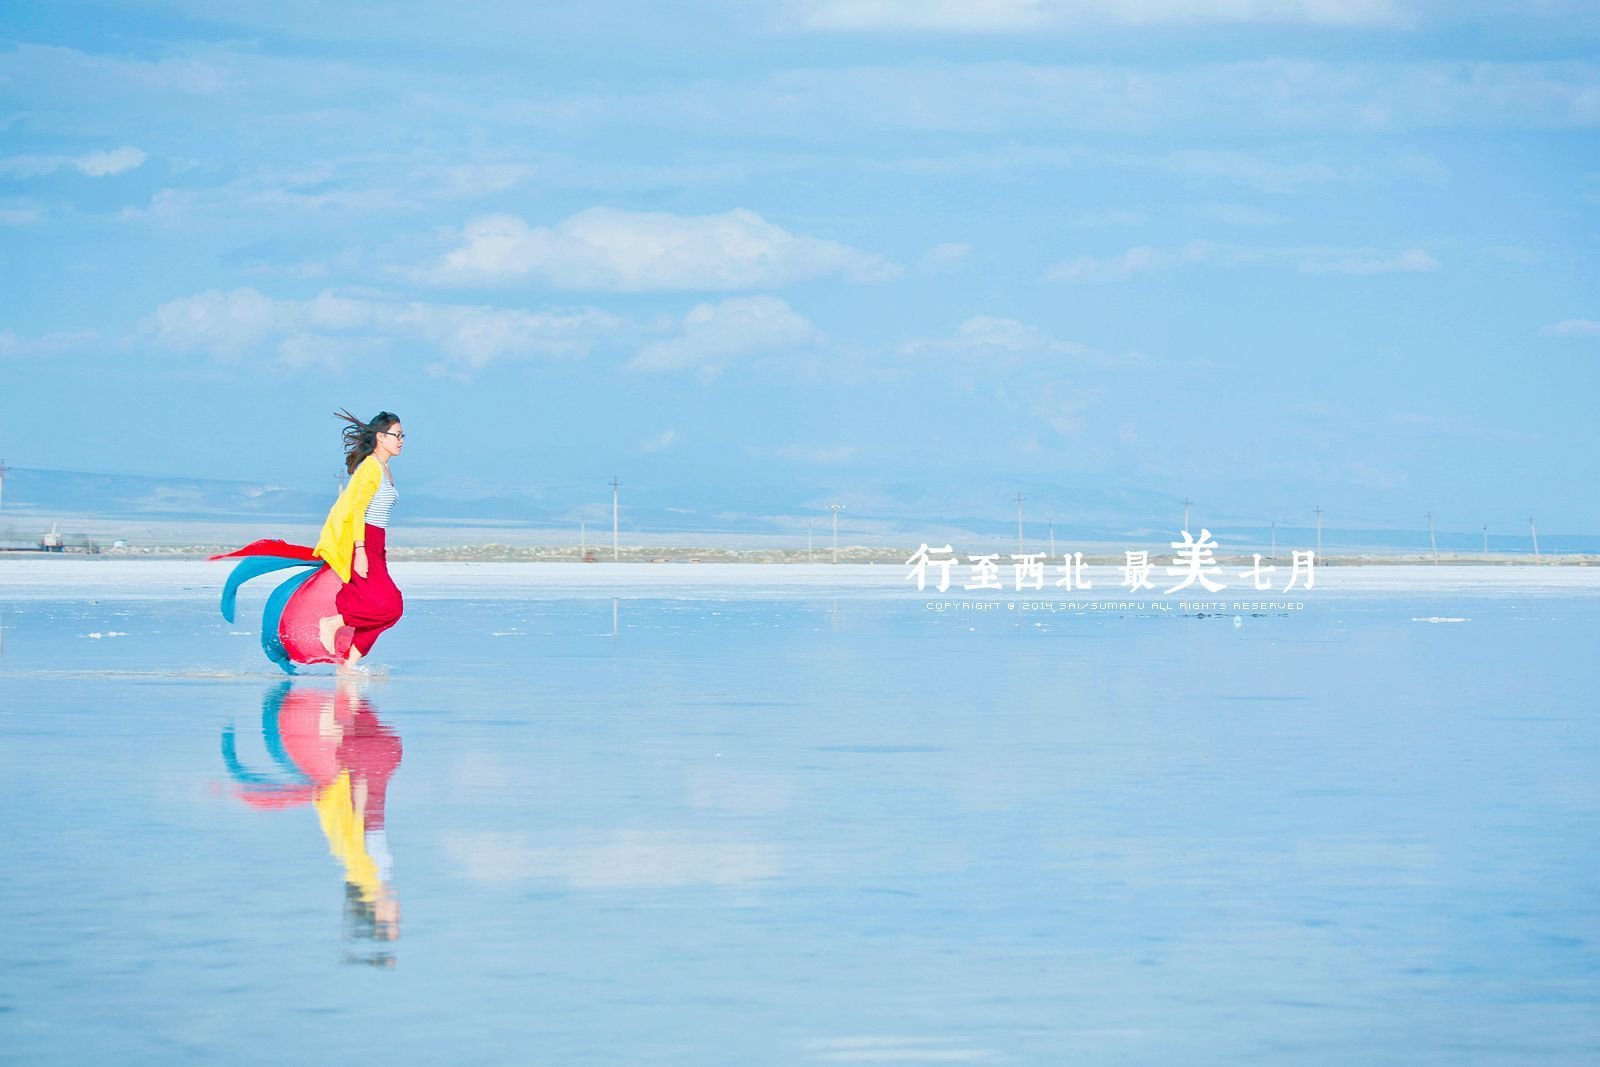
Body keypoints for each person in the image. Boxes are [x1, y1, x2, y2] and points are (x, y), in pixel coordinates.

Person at [314, 410, 405, 673]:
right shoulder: (370, 468)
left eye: (402, 436)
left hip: (376, 542)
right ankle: (333, 623)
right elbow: (356, 510)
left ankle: (348, 665)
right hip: (363, 540)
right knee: (389, 606)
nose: (401, 440)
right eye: (396, 435)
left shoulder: (384, 468)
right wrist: (361, 550)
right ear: (380, 436)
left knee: (391, 608)